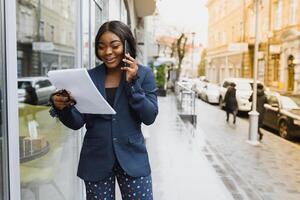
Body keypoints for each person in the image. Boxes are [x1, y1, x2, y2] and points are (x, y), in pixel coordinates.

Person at [50, 20, 158, 200]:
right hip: (96, 159)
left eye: (114, 46)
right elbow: (77, 122)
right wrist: (63, 108)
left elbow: (149, 117)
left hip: (133, 158)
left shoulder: (143, 74)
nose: (107, 52)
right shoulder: (89, 77)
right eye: (101, 47)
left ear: (126, 44)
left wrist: (133, 83)